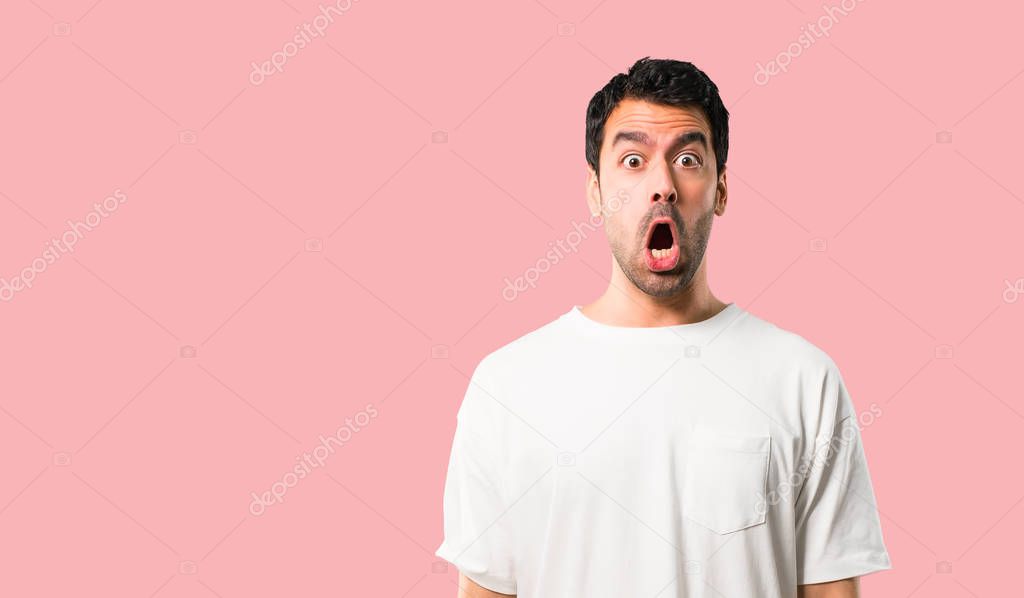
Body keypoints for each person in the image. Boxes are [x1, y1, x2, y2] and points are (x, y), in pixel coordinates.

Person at [435, 57, 891, 598]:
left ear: (720, 189)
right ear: (596, 191)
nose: (663, 185)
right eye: (632, 160)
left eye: (689, 159)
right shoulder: (507, 386)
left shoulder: (804, 380)